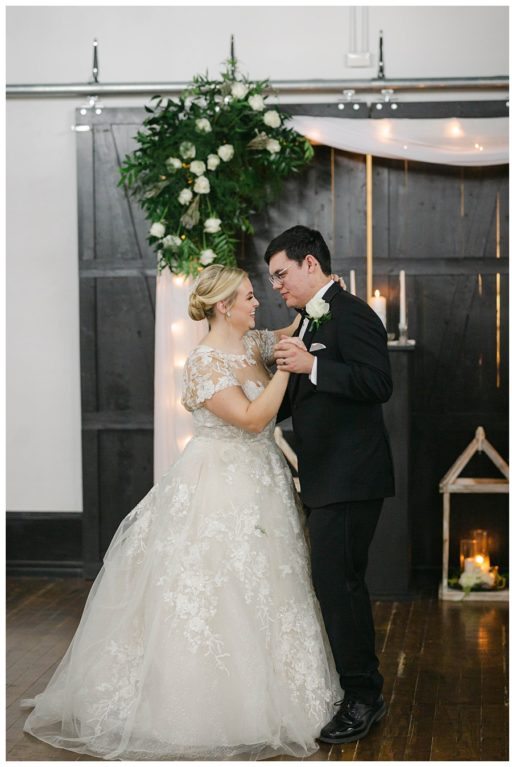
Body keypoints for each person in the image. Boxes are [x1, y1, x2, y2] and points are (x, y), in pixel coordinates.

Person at [23, 265, 340, 759]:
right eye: (249, 297)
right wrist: (287, 368)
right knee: (217, 586)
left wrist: (322, 298)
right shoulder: (204, 364)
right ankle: (205, 705)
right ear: (223, 306)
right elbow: (255, 420)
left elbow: (292, 331)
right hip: (219, 485)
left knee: (269, 585)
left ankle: (283, 695)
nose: (258, 303)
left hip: (263, 484)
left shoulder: (253, 342)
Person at [265, 225, 395, 744]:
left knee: (339, 588)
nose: (276, 285)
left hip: (351, 476)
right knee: (338, 586)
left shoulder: (354, 313)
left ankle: (364, 698)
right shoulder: (305, 319)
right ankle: (360, 690)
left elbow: (378, 384)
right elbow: (302, 399)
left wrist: (313, 363)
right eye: (271, 278)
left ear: (310, 265)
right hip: (325, 475)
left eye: (281, 274)